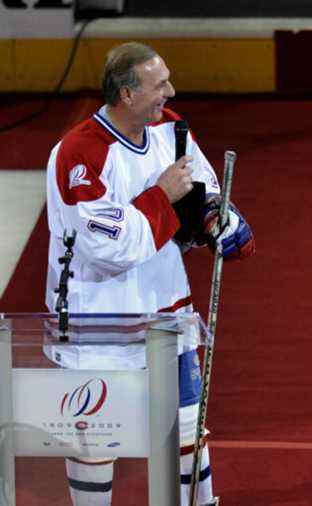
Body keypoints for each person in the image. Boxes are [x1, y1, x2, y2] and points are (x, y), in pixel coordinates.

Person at [45, 42, 254, 506]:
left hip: (168, 315)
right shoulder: (79, 154)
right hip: (98, 325)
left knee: (184, 432)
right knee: (95, 441)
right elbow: (109, 249)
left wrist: (217, 221)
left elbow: (201, 188)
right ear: (126, 94)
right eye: (160, 85)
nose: (171, 92)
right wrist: (162, 196)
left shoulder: (170, 129)